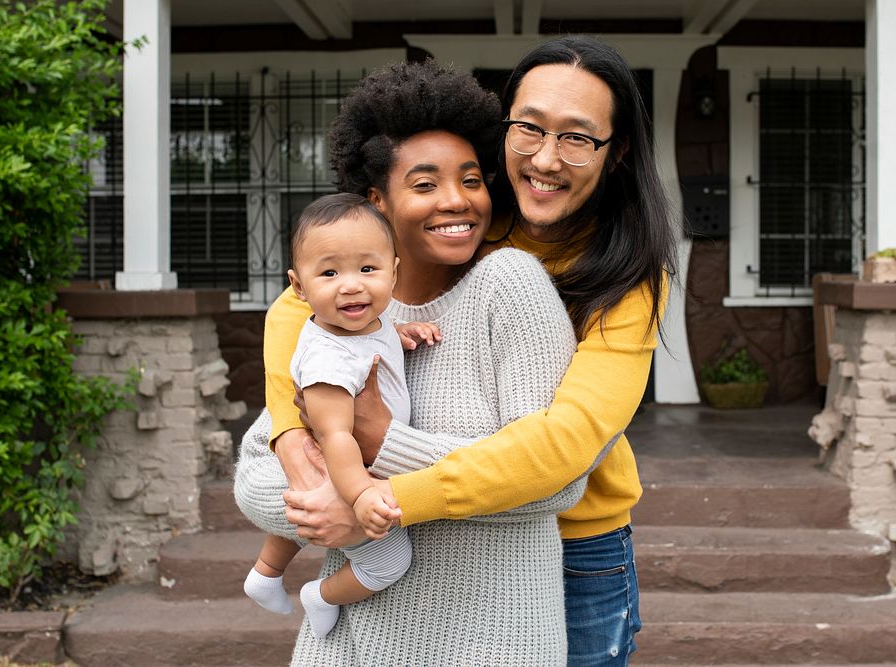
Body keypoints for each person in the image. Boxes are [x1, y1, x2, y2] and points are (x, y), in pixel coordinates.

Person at [283, 36, 677, 666]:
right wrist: (291, 444)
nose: (546, 158)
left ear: (617, 150)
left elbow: (564, 446)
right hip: (434, 539)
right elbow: (301, 310)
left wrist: (378, 499)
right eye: (530, 129)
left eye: (577, 137)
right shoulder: (466, 216)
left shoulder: (626, 274)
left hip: (575, 549)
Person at [234, 60, 586, 665]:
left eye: (472, 179)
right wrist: (345, 506)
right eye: (424, 184)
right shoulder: (342, 313)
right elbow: (255, 472)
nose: (457, 200)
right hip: (346, 645)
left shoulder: (510, 287)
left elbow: (557, 478)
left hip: (493, 641)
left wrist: (381, 455)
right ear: (378, 200)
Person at [242, 193, 441, 637]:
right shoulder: (326, 362)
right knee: (389, 563)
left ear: (394, 271)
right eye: (329, 273)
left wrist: (401, 332)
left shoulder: (365, 322)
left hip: (353, 460)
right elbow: (335, 437)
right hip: (346, 467)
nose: (351, 285)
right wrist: (360, 497)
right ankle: (321, 594)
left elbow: (375, 338)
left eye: (367, 269)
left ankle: (265, 572)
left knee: (303, 513)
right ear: (298, 286)